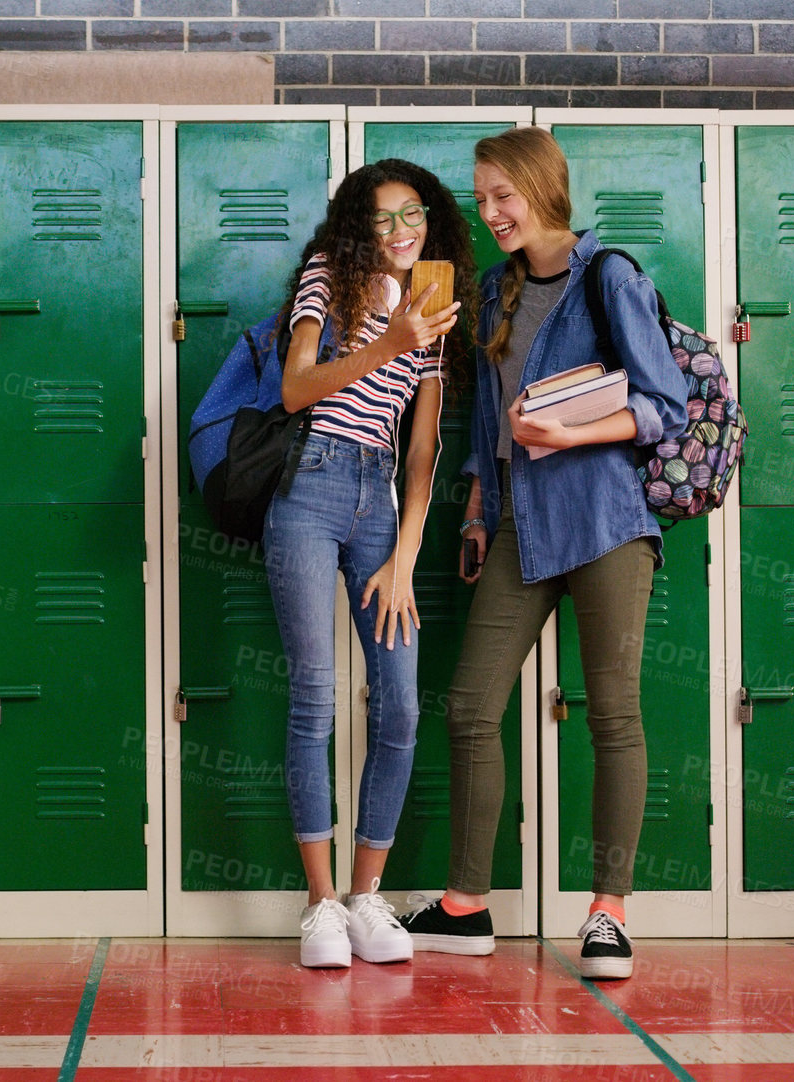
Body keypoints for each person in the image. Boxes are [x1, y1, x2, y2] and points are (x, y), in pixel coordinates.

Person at [397, 127, 689, 980]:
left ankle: (607, 913)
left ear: (543, 187)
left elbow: (661, 406)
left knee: (613, 716)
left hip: (604, 521)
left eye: (502, 196)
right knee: (468, 707)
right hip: (522, 526)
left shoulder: (611, 278)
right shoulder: (494, 292)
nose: (489, 214)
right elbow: (488, 422)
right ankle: (465, 905)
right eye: (480, 199)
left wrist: (568, 433)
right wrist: (479, 514)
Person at [264, 159, 475, 968]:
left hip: (380, 507)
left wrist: (406, 555)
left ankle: (364, 897)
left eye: (412, 214)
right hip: (312, 485)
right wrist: (390, 341)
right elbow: (295, 388)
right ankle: (318, 907)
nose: (400, 231)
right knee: (315, 695)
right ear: (360, 226)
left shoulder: (433, 304)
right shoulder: (330, 278)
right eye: (383, 218)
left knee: (400, 706)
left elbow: (422, 447)